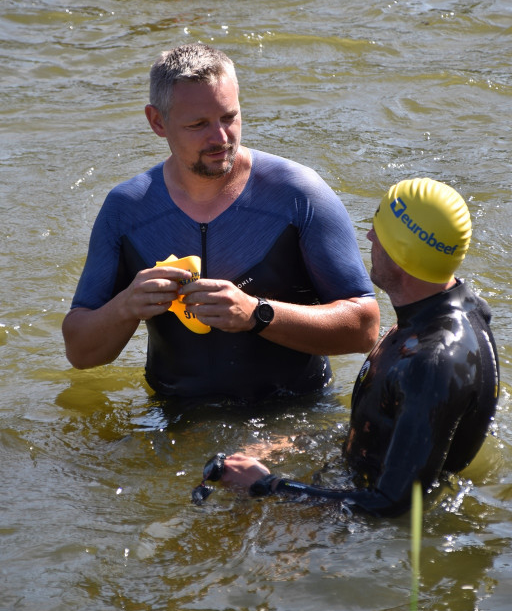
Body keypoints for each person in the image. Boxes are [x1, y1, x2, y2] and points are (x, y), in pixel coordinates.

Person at [62, 43, 379, 402]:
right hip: (170, 416)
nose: (220, 138)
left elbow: (364, 327)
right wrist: (125, 307)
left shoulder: (297, 195)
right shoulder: (126, 210)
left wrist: (257, 314)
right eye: (198, 125)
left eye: (229, 117)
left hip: (291, 414)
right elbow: (80, 353)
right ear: (157, 121)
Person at [213, 177, 500, 515]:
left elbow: (393, 506)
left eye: (379, 230)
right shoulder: (452, 308)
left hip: (380, 539)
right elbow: (393, 427)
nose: (369, 236)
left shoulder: (429, 364)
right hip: (359, 483)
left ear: (402, 253)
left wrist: (268, 486)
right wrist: (294, 443)